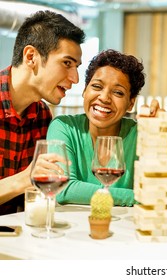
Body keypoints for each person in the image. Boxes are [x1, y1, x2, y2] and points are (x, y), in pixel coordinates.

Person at [0, 10, 86, 215]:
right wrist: (23, 179)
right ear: (31, 57)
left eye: (76, 67)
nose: (75, 78)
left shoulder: (42, 115)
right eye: (67, 63)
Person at [46, 49, 153, 206]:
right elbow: (62, 188)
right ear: (84, 91)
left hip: (126, 228)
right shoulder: (64, 127)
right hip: (73, 227)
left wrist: (160, 128)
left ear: (131, 103)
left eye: (118, 92)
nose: (104, 98)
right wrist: (136, 197)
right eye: (97, 86)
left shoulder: (140, 134)